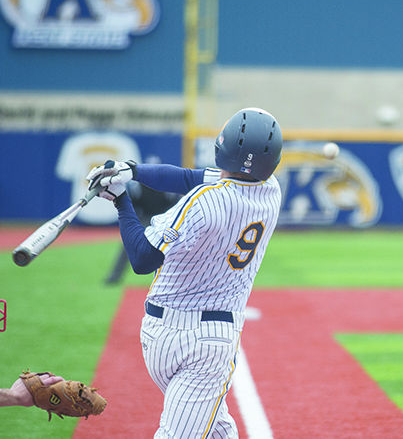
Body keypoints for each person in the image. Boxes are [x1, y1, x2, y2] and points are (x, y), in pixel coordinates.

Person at [86, 107, 283, 438]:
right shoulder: (271, 190)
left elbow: (143, 259)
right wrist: (132, 171)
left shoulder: (205, 202)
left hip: (180, 342)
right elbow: (189, 176)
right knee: (214, 428)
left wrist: (121, 201)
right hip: (208, 340)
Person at [105, 157, 180, 284]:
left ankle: (171, 279)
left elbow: (174, 205)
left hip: (162, 220)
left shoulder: (166, 187)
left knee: (172, 248)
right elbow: (134, 205)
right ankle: (114, 276)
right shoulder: (137, 187)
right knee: (128, 245)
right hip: (145, 219)